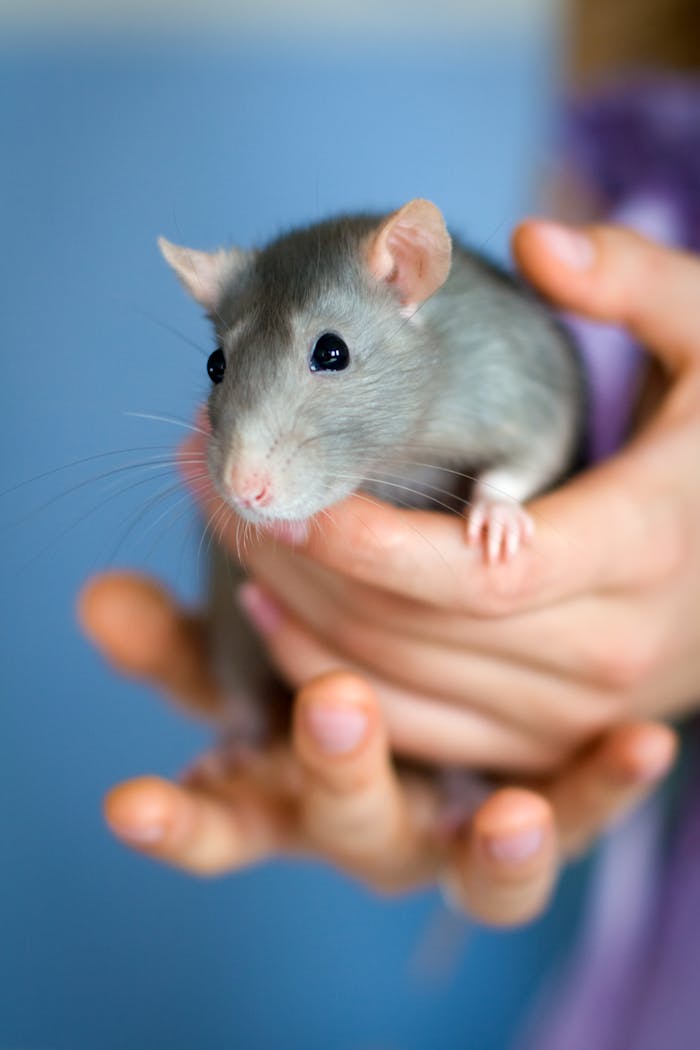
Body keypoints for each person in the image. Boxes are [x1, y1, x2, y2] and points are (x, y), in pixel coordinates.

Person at [79, 217, 700, 925]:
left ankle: (456, 767)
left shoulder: (479, 345)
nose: (246, 471)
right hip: (380, 660)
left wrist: (506, 490)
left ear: (407, 272)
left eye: (330, 353)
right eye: (222, 366)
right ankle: (256, 718)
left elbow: (550, 405)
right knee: (234, 537)